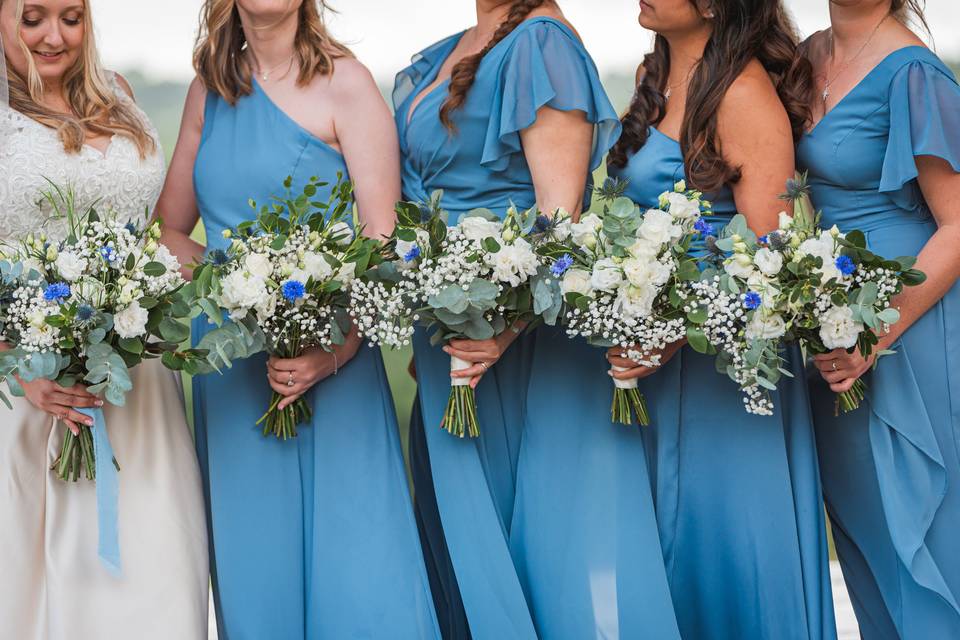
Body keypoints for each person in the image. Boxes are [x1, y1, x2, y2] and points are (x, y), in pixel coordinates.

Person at [155, 1, 439, 637]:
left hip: (336, 364)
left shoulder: (347, 82)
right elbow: (169, 231)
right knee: (257, 566)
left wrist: (332, 349)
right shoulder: (209, 89)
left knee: (358, 571)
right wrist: (240, 291)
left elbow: (384, 246)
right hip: (230, 370)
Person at [605, 1, 837, 638]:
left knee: (727, 555)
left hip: (725, 373)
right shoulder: (657, 79)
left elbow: (773, 258)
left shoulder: (741, 93)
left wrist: (677, 325)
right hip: (652, 361)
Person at [0, 0, 208, 637]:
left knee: (158, 577)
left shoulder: (116, 92)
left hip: (138, 389)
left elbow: (155, 234)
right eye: (32, 18)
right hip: (30, 393)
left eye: (71, 16)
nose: (54, 36)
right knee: (39, 589)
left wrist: (249, 276)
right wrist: (18, 365)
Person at [798, 1, 960, 636]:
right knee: (864, 523)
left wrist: (877, 330)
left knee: (922, 521)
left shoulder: (915, 74)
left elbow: (957, 225)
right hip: (830, 322)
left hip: (909, 327)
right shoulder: (807, 56)